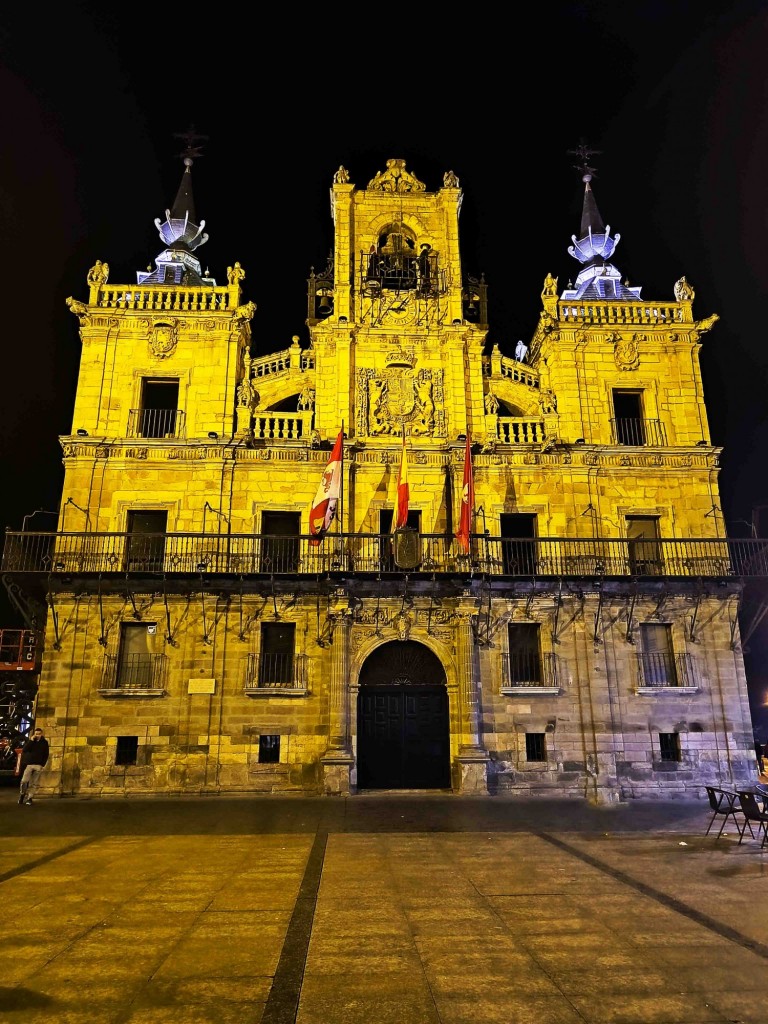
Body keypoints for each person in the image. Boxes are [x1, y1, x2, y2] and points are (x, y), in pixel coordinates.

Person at [18, 727, 49, 806]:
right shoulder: (31, 742)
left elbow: (46, 754)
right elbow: (24, 750)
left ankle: (29, 798)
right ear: (34, 734)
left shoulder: (44, 743)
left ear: (41, 734)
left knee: (34, 783)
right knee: (24, 781)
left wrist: (42, 765)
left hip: (38, 765)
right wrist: (31, 741)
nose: (37, 735)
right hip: (29, 764)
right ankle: (22, 794)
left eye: (39, 734)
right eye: (36, 734)